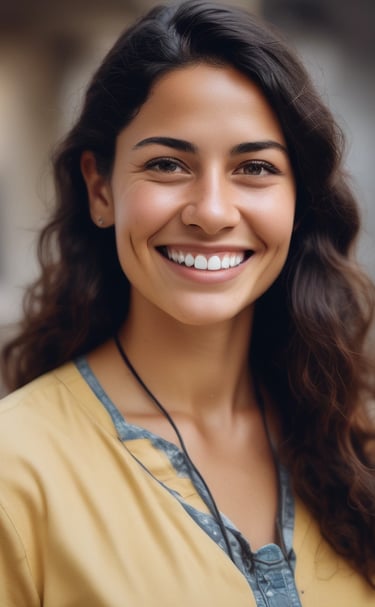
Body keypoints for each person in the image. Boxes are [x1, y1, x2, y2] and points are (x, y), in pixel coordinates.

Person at [0, 1, 374, 605]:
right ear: (101, 188)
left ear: (298, 198)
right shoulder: (16, 473)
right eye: (168, 164)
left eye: (254, 167)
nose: (213, 212)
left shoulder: (353, 442)